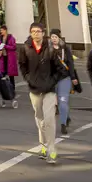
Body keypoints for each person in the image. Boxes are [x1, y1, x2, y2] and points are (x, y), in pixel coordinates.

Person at [18, 22, 63, 164]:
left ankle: (52, 149)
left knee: (49, 119)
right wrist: (28, 78)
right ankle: (43, 145)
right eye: (33, 31)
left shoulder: (50, 48)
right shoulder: (25, 48)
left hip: (49, 89)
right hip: (34, 89)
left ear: (43, 33)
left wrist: (52, 81)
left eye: (38, 31)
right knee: (40, 119)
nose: (36, 34)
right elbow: (22, 65)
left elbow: (59, 68)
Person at [49, 30, 80, 136]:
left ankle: (63, 124)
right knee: (55, 103)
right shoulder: (47, 49)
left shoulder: (65, 49)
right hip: (52, 79)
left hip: (64, 78)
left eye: (55, 37)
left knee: (63, 101)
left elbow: (70, 63)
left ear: (59, 38)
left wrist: (73, 77)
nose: (54, 39)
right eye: (52, 37)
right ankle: (66, 117)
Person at [0, 24, 20, 109]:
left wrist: (5, 46)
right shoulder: (0, 38)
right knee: (2, 77)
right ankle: (4, 93)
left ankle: (12, 92)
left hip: (9, 59)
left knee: (11, 77)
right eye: (0, 30)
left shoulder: (11, 38)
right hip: (3, 59)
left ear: (5, 30)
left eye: (2, 30)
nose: (1, 32)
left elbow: (14, 47)